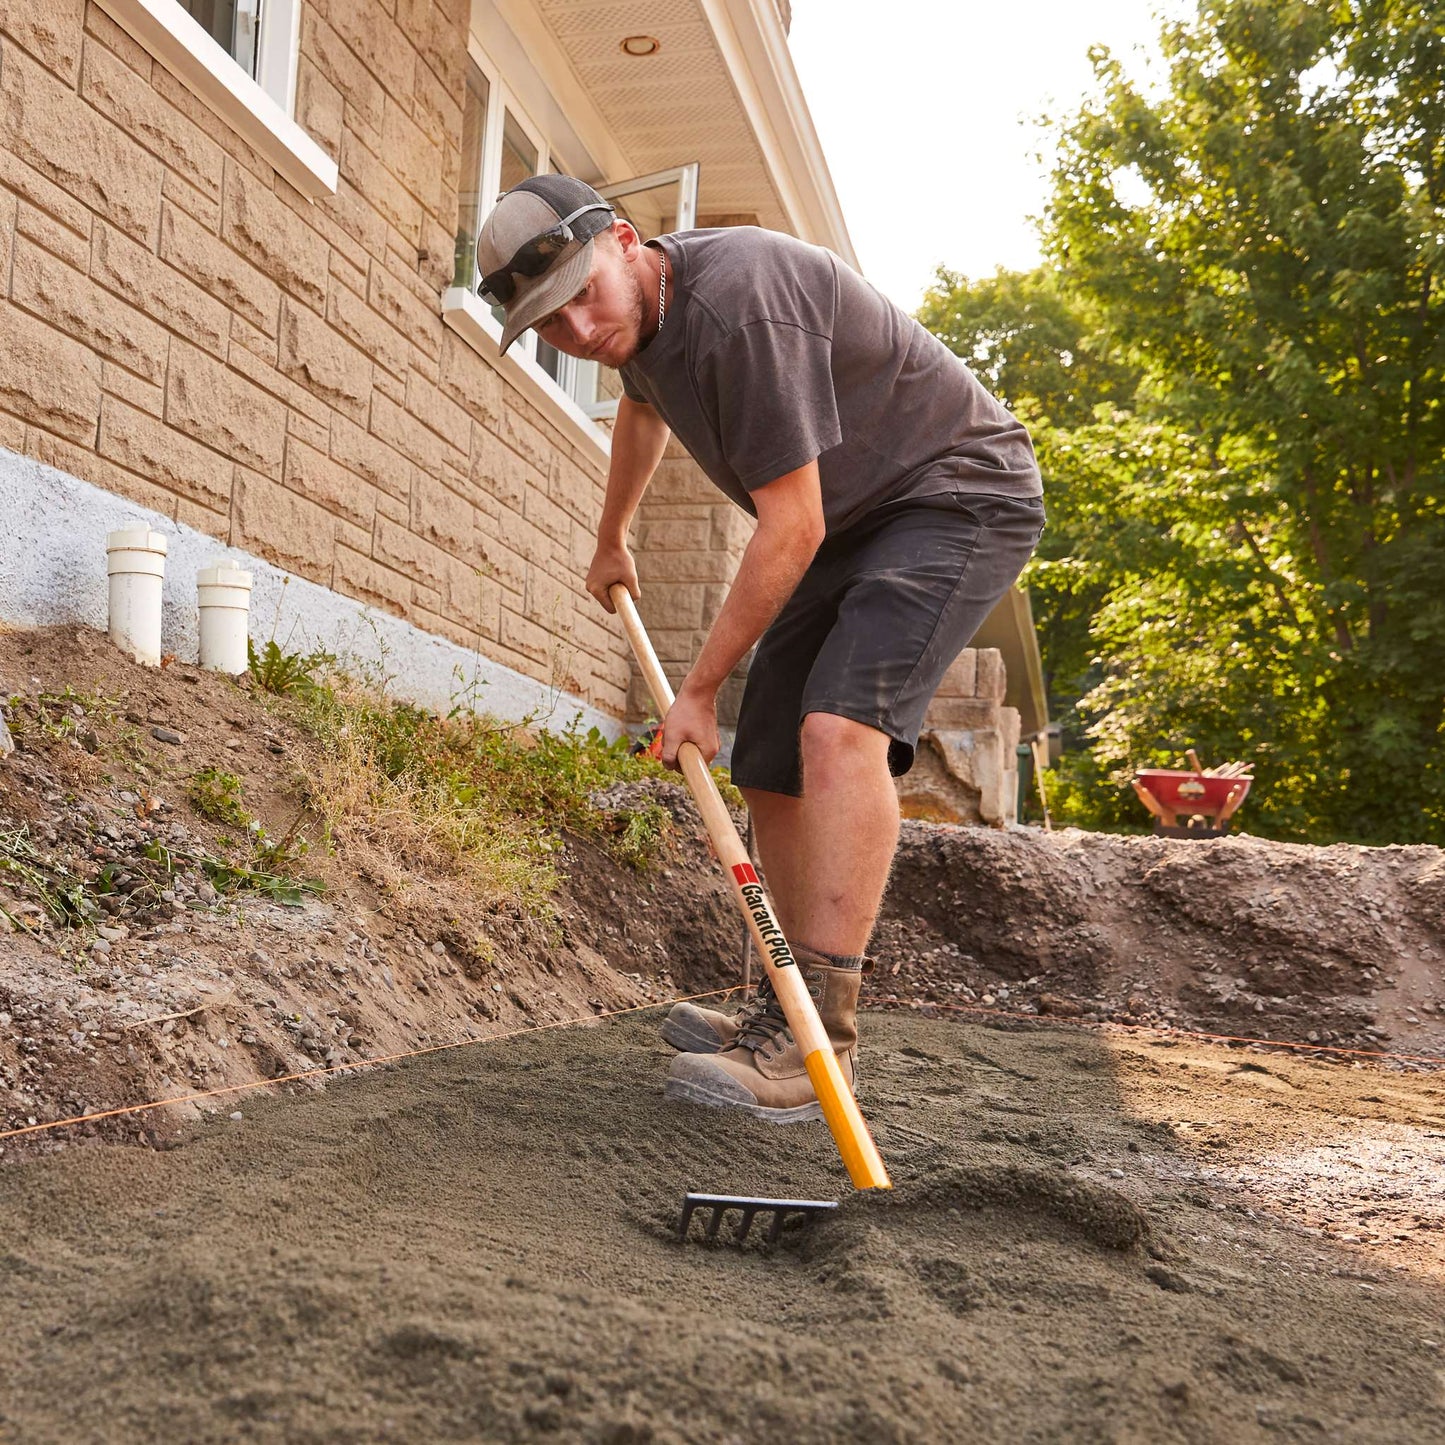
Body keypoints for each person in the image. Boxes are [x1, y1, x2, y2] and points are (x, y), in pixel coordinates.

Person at [475, 175, 1044, 1122]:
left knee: (838, 730)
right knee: (770, 757)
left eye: (583, 295)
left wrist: (696, 690)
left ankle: (823, 1044)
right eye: (549, 322)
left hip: (954, 495)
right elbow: (643, 408)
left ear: (625, 241)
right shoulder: (640, 321)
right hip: (850, 520)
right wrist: (612, 535)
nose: (577, 328)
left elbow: (791, 527)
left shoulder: (739, 308)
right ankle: (786, 1005)